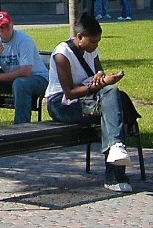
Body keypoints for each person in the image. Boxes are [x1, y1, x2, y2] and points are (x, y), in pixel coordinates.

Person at [44, 12, 133, 192]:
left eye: (98, 42)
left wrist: (101, 76)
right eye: (92, 42)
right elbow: (69, 93)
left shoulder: (91, 50)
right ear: (79, 37)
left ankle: (116, 150)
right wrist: (99, 85)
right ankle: (115, 174)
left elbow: (98, 74)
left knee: (111, 96)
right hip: (61, 105)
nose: (95, 46)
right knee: (112, 110)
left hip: (87, 100)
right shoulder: (62, 54)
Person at [0, 11, 50, 128]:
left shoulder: (23, 40)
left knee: (20, 83)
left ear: (12, 25)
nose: (5, 30)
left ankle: (20, 128)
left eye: (7, 26)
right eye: (1, 27)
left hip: (37, 78)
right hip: (14, 79)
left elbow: (26, 71)